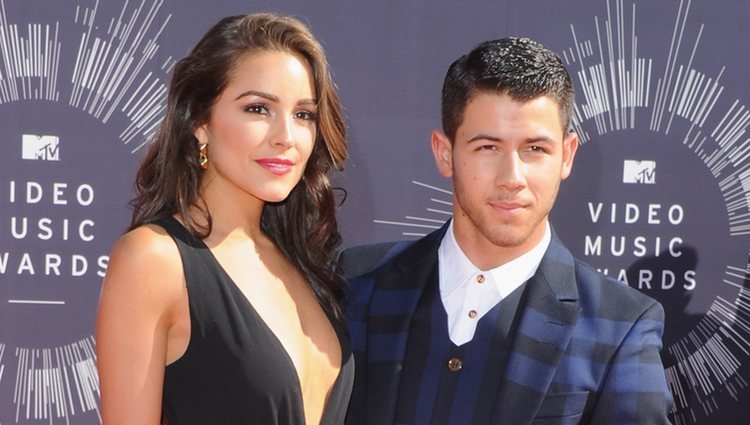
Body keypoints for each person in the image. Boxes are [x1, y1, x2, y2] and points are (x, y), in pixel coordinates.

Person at [342, 37, 673, 425]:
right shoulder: (360, 283)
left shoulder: (620, 326)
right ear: (445, 153)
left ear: (566, 156)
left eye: (535, 150)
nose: (511, 177)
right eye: (488, 147)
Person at [95, 13, 353, 425]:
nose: (286, 135)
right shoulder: (155, 260)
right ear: (200, 122)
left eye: (303, 114)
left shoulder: (301, 263)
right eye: (258, 108)